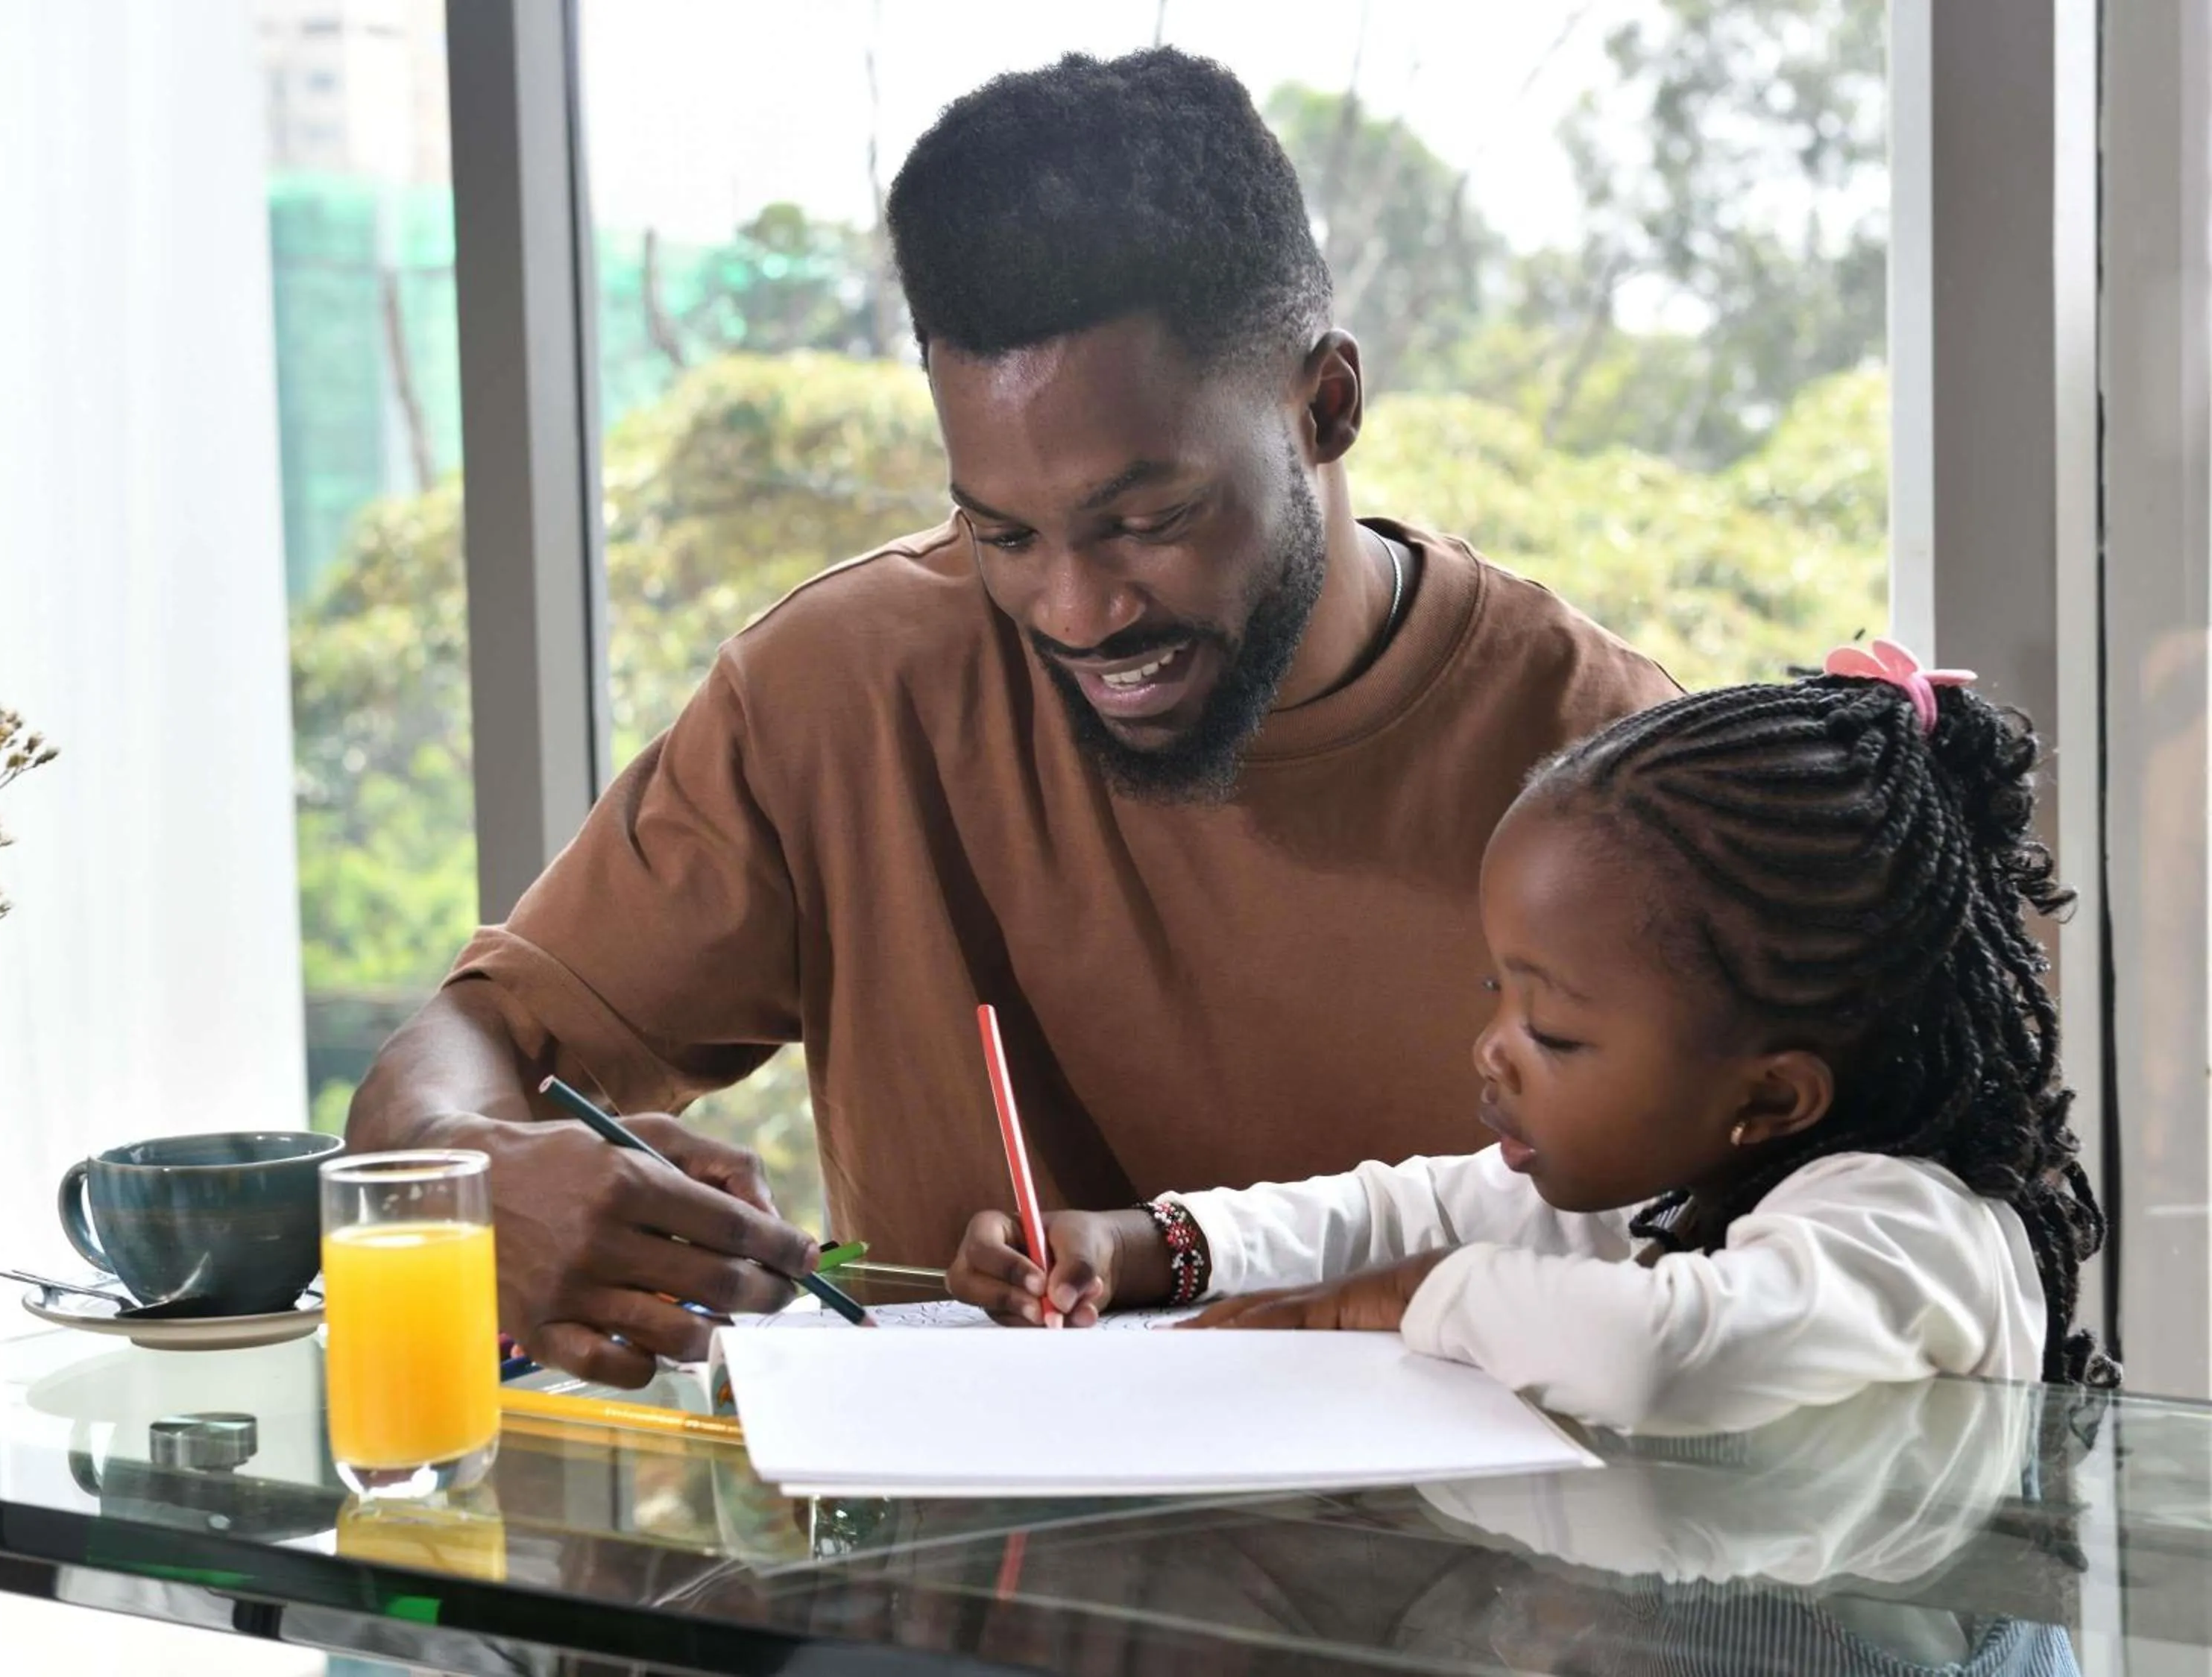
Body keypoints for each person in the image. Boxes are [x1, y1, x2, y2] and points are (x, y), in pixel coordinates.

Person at [347, 48, 1676, 1386]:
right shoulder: (842, 695)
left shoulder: (1623, 769)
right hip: (961, 1525)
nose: (1079, 612)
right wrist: (467, 1179)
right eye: (1005, 533)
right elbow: (467, 1046)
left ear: (1325, 405)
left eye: (1148, 519)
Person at [950, 642, 2117, 1433]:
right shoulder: (1683, 1174)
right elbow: (1400, 1211)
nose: (1490, 1049)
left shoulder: (1911, 1228)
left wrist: (1404, 1296)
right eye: (1495, 989)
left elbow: (1665, 1353)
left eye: (1552, 1030)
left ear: (1771, 1097)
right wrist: (1146, 1244)